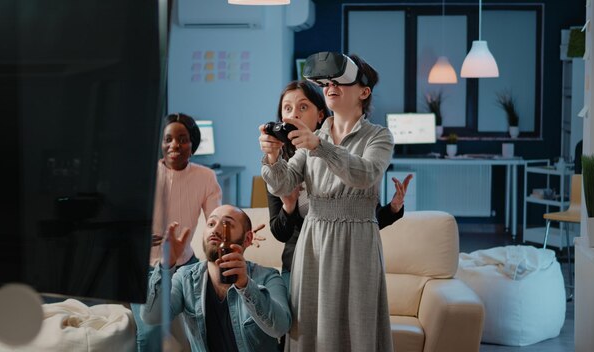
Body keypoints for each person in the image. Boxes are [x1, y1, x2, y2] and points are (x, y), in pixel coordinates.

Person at [259, 53, 394, 351]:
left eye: (340, 81)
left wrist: (321, 147)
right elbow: (284, 183)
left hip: (358, 240)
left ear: (364, 91)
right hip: (314, 240)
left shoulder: (379, 137)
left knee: (357, 324)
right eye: (327, 82)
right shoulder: (315, 136)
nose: (331, 86)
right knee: (310, 325)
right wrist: (271, 156)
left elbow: (365, 173)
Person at [267, 80, 412, 291]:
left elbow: (358, 217)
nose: (294, 114)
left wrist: (393, 209)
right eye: (287, 109)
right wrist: (288, 206)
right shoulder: (280, 167)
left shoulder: (343, 154)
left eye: (303, 106)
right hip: (298, 260)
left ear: (320, 115)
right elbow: (280, 233)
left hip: (343, 256)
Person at [140, 205, 292, 352]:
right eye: (211, 223)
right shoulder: (184, 278)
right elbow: (150, 317)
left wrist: (245, 285)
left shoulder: (268, 276)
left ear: (247, 239)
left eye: (227, 224)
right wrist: (166, 266)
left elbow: (280, 327)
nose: (216, 229)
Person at [132, 112, 222, 351]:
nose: (175, 145)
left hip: (186, 264)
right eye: (168, 139)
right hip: (145, 267)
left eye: (182, 139)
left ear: (192, 144)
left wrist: (234, 231)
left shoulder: (205, 177)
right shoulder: (143, 175)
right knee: (150, 331)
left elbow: (216, 220)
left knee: (206, 321)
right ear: (160, 143)